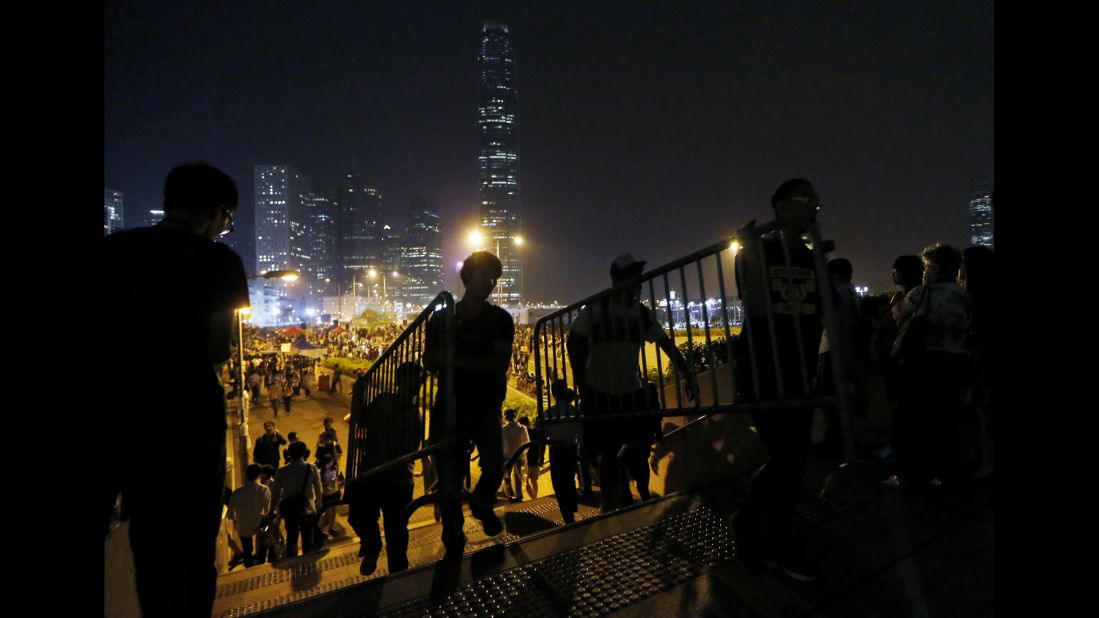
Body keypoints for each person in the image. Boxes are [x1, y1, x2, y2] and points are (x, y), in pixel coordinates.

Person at [103, 162, 249, 617]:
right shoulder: (219, 261)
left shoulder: (114, 250)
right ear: (218, 212)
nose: (227, 228)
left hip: (114, 408)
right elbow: (219, 347)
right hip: (186, 415)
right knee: (179, 551)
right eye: (229, 219)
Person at [730, 178, 827, 582]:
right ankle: (766, 540)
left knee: (794, 458)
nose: (815, 208)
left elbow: (822, 311)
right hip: (764, 368)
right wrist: (751, 249)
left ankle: (758, 531)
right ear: (783, 207)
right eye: (807, 200)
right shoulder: (758, 249)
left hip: (800, 367)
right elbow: (755, 307)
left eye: (816, 201)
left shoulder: (809, 255)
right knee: (787, 456)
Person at [567, 253, 697, 512]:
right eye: (633, 277)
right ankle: (608, 503)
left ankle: (622, 479)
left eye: (639, 277)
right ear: (617, 280)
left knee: (640, 441)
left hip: (630, 389)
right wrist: (584, 386)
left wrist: (688, 373)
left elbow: (665, 344)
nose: (639, 282)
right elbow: (574, 342)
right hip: (600, 391)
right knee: (606, 450)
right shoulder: (598, 307)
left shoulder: (642, 314)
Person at [424, 251, 512, 557]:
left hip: (485, 405)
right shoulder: (442, 318)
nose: (490, 284)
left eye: (495, 279)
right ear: (468, 277)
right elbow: (429, 360)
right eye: (486, 276)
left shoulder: (500, 319)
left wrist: (454, 359)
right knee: (448, 477)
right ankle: (453, 531)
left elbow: (497, 364)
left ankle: (480, 503)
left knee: (494, 467)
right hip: (450, 406)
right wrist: (470, 361)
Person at [891, 243, 972, 487]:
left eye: (928, 267)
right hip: (954, 362)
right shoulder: (964, 295)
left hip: (921, 362)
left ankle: (910, 472)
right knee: (945, 418)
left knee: (911, 416)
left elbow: (896, 313)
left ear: (935, 268)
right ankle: (946, 472)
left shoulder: (921, 293)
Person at [345, 361, 424, 575]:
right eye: (413, 380)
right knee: (363, 516)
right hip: (389, 477)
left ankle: (392, 564)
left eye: (418, 381)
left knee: (394, 528)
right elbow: (362, 420)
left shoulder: (404, 410)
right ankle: (376, 549)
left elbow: (363, 420)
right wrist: (360, 392)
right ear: (399, 381)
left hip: (388, 476)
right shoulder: (392, 405)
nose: (415, 386)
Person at [961, 246, 996, 478]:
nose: (960, 267)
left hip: (984, 362)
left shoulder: (975, 296)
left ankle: (987, 462)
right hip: (985, 359)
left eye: (963, 262)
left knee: (985, 414)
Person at [272, 441, 323, 557]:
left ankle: (293, 561)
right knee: (307, 538)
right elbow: (319, 489)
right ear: (304, 453)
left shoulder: (281, 471)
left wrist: (272, 510)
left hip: (290, 511)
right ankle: (307, 561)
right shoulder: (311, 468)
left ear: (289, 454)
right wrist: (319, 503)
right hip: (308, 510)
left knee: (291, 538)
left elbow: (275, 494)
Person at [544, 380, 583, 523]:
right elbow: (580, 434)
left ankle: (566, 513)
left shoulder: (549, 412)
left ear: (553, 393)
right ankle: (571, 510)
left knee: (558, 483)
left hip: (556, 451)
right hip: (571, 449)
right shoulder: (574, 411)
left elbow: (544, 434)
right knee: (569, 479)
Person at [228, 464, 272, 568]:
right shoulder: (264, 490)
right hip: (260, 525)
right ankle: (260, 565)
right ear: (259, 475)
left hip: (243, 527)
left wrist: (237, 519)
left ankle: (248, 567)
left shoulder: (237, 492)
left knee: (247, 551)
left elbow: (230, 513)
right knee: (262, 547)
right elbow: (267, 510)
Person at [501, 409, 529, 503]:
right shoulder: (522, 428)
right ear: (515, 416)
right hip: (520, 456)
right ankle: (519, 495)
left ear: (505, 417)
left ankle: (510, 495)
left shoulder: (503, 429)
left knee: (507, 477)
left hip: (507, 456)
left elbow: (501, 444)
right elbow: (527, 443)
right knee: (518, 478)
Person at [520, 416, 544, 499]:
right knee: (533, 481)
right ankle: (534, 498)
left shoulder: (522, 433)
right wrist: (541, 457)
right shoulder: (536, 432)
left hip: (526, 461)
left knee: (526, 482)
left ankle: (534, 498)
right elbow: (541, 445)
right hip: (535, 459)